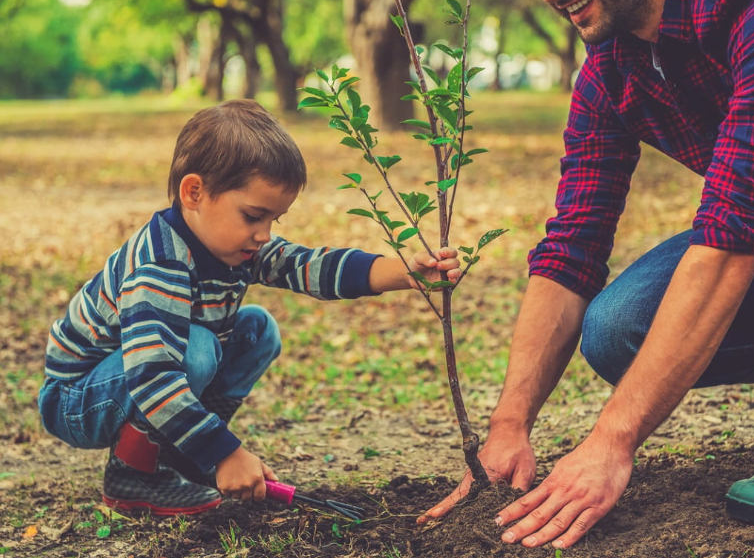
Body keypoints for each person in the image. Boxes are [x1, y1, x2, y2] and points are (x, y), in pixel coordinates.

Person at [420, 0, 754, 549]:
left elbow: (734, 236)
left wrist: (610, 443)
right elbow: (572, 247)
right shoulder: (614, 69)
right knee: (620, 327)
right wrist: (510, 425)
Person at [38, 99, 461, 516]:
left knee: (257, 328)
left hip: (132, 380)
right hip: (78, 398)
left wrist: (403, 272)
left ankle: (182, 457)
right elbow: (152, 377)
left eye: (273, 220)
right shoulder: (160, 266)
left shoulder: (235, 246)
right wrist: (226, 454)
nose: (264, 234)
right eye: (254, 216)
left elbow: (307, 265)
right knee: (196, 347)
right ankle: (134, 475)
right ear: (194, 192)